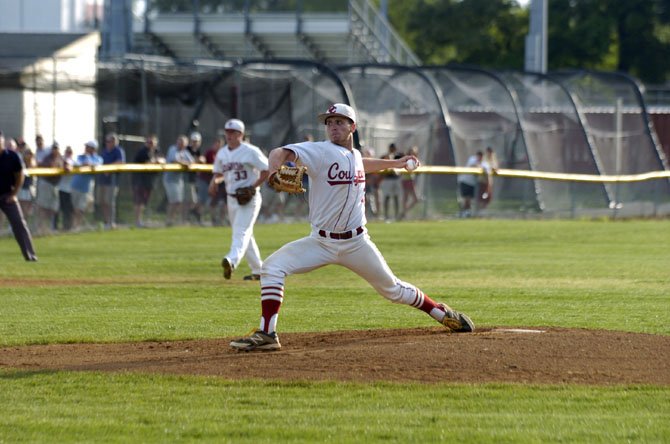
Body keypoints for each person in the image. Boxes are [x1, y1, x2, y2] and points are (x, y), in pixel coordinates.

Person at [229, 103, 474, 352]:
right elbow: (278, 152)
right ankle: (268, 334)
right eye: (329, 122)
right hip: (320, 242)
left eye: (339, 121)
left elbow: (361, 164)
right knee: (272, 268)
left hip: (356, 243)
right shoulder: (319, 151)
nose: (333, 126)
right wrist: (273, 171)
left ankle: (441, 313)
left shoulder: (354, 156)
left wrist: (396, 163)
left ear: (353, 127)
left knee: (393, 290)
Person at [209, 118, 269, 281]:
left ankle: (231, 260)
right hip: (232, 199)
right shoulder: (222, 153)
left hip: (249, 198)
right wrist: (214, 181)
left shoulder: (251, 151)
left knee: (240, 232)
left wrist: (253, 186)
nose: (229, 135)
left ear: (241, 134)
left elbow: (267, 170)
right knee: (245, 234)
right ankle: (259, 270)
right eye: (227, 132)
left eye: (233, 132)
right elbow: (220, 173)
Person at [0, 131, 38, 261]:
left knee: (19, 224)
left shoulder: (12, 156)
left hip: (7, 194)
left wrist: (14, 194)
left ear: (2, 140)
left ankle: (30, 255)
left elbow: (20, 176)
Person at [70, 140, 103, 231]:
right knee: (75, 208)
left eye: (88, 147)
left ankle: (76, 226)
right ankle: (74, 226)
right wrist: (85, 163)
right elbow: (76, 163)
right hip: (75, 185)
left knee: (80, 208)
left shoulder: (98, 158)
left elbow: (97, 165)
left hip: (85, 188)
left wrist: (89, 162)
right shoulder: (80, 157)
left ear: (93, 149)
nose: (86, 148)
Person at [132, 134, 163, 227]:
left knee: (145, 201)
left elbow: (162, 159)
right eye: (149, 142)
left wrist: (159, 161)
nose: (151, 144)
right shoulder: (143, 151)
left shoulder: (157, 151)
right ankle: (137, 221)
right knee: (139, 201)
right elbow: (146, 162)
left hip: (150, 180)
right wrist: (155, 161)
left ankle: (143, 219)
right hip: (140, 180)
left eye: (152, 142)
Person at [163, 135, 194, 226]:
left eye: (183, 143)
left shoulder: (184, 152)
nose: (180, 145)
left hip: (178, 180)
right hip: (170, 179)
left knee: (178, 201)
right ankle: (169, 220)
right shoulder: (173, 149)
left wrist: (185, 162)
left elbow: (191, 161)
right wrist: (185, 163)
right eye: (179, 142)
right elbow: (174, 160)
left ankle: (171, 220)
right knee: (175, 201)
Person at [35, 141, 65, 234]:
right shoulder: (47, 158)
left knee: (53, 208)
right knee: (43, 207)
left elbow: (66, 164)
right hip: (46, 184)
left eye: (56, 148)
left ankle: (49, 227)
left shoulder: (61, 158)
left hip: (55, 186)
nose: (55, 150)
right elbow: (45, 165)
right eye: (53, 148)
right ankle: (40, 228)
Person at [98, 133, 125, 229]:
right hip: (102, 180)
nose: (108, 143)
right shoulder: (104, 151)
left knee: (110, 201)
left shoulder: (118, 151)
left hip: (112, 181)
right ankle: (106, 222)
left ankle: (111, 222)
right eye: (107, 141)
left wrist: (108, 169)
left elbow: (120, 162)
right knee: (102, 201)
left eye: (110, 141)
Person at [380, 142, 403, 221]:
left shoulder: (399, 156)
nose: (392, 149)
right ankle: (386, 215)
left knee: (396, 197)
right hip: (387, 179)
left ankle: (396, 215)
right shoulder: (385, 156)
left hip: (396, 179)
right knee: (387, 197)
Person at [456, 150, 483, 218]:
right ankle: (464, 212)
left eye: (480, 157)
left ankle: (466, 212)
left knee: (469, 199)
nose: (479, 158)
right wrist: (478, 165)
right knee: (466, 198)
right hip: (465, 181)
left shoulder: (482, 163)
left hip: (472, 183)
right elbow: (472, 165)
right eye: (478, 156)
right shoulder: (472, 159)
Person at [186, 131, 204, 224]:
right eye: (194, 141)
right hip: (187, 179)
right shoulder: (187, 149)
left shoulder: (198, 150)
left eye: (197, 141)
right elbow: (189, 162)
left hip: (196, 178)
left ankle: (191, 217)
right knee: (192, 200)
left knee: (197, 200)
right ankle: (186, 218)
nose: (195, 143)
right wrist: (198, 160)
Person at [56, 145, 75, 231]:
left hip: (70, 190)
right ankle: (56, 226)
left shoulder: (73, 161)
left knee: (68, 210)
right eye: (67, 151)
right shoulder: (62, 159)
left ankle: (67, 226)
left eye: (70, 152)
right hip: (60, 188)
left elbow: (68, 165)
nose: (68, 153)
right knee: (58, 209)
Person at [400, 145, 420, 219]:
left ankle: (404, 212)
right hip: (406, 180)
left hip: (411, 180)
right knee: (406, 198)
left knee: (415, 199)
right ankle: (404, 214)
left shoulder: (415, 160)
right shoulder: (407, 160)